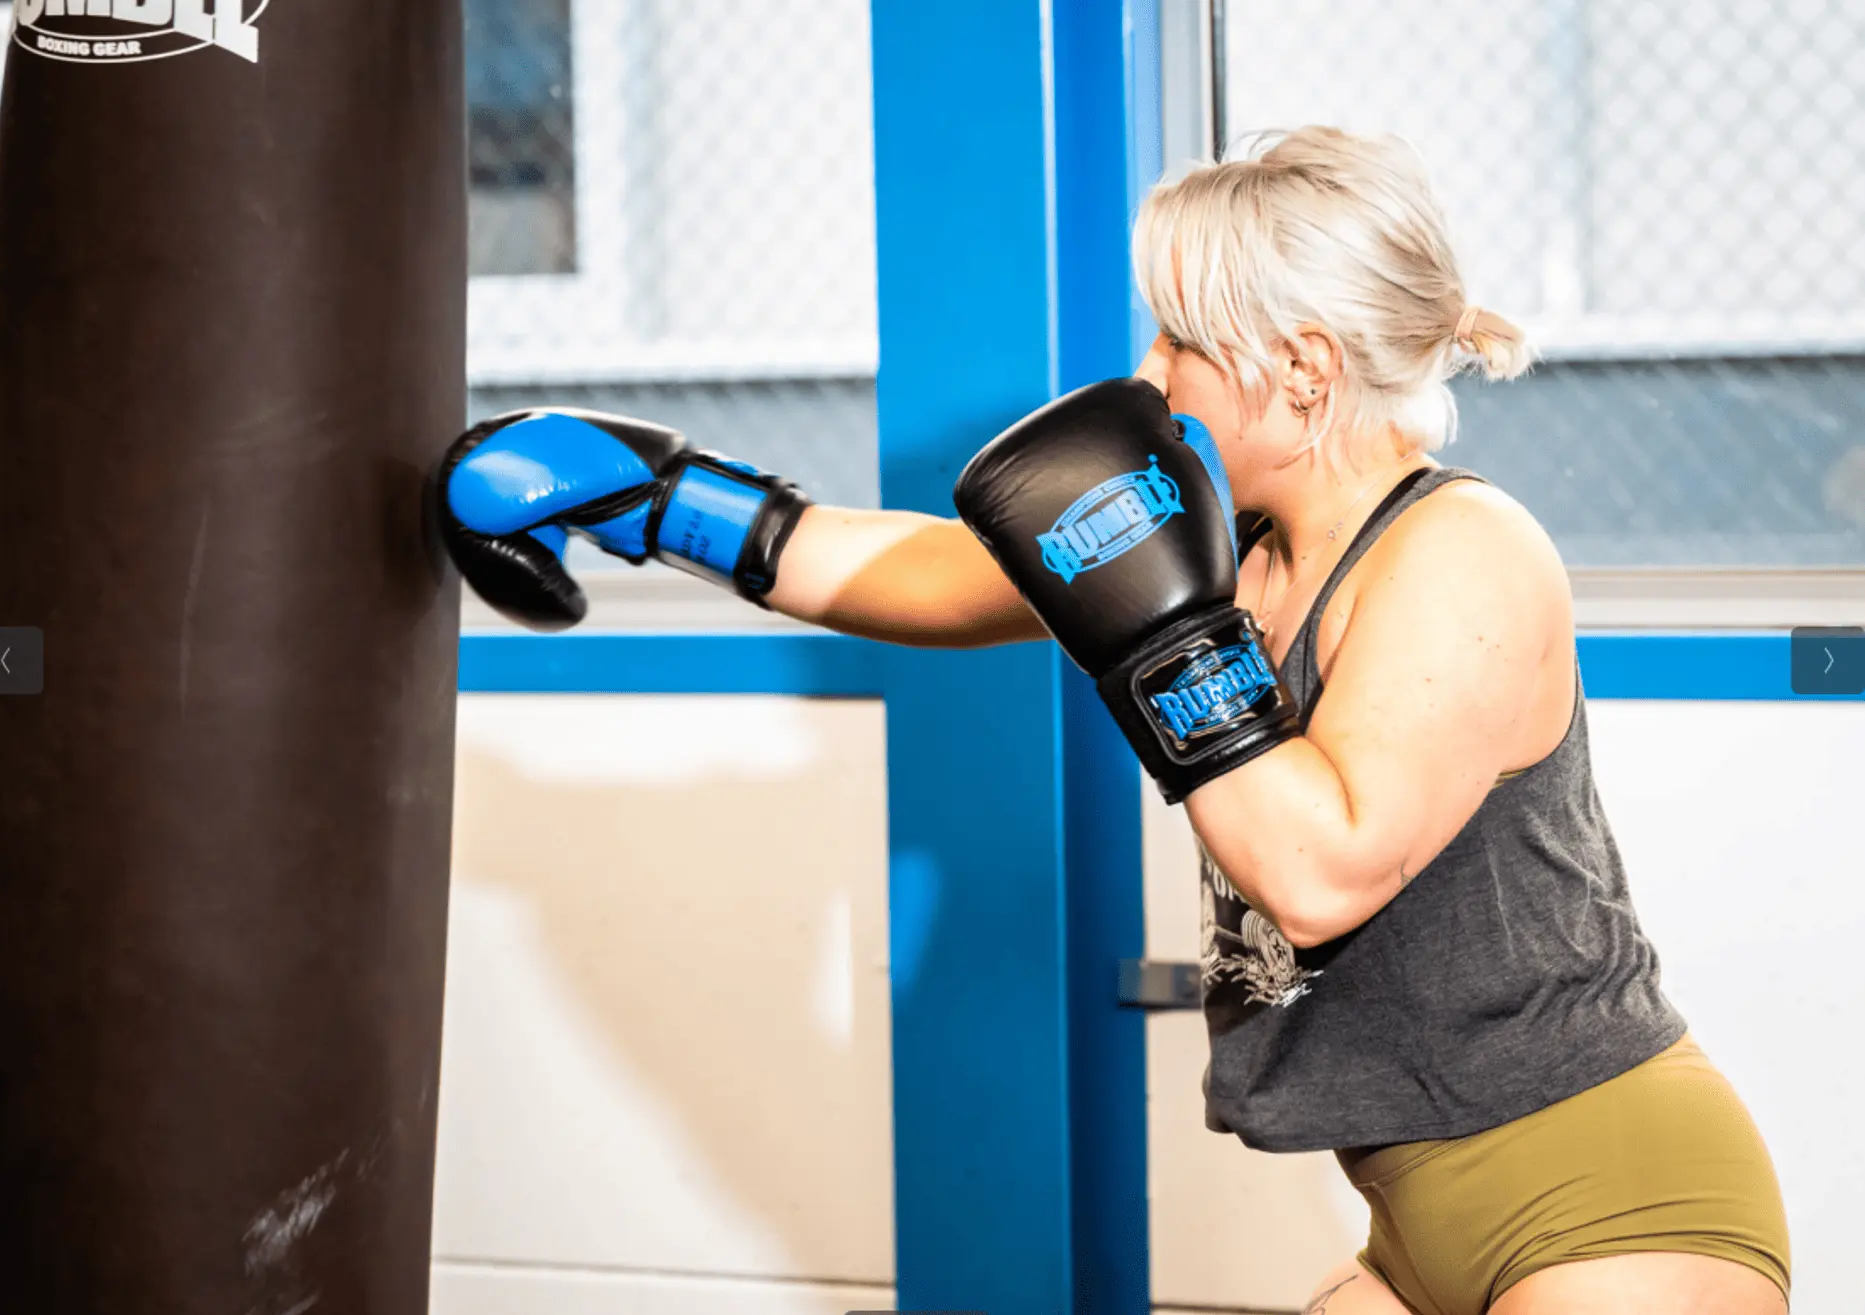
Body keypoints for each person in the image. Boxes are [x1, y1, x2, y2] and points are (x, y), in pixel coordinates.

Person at [438, 126, 1791, 1315]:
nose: (1151, 375)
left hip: (1609, 1200)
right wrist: (661, 500)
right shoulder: (1237, 548)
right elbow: (927, 578)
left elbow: (1321, 866)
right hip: (1415, 1215)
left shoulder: (1464, 554)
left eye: (1183, 341)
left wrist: (1167, 636)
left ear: (1304, 367)